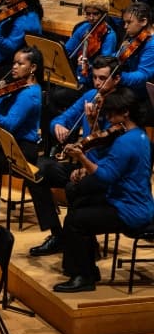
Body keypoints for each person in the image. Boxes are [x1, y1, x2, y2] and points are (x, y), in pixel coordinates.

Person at [48, 88, 152, 293]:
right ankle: (86, 269)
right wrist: (86, 170)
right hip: (128, 201)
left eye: (112, 113)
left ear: (126, 113)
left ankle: (84, 277)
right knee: (80, 204)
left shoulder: (126, 142)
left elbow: (105, 176)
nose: (108, 117)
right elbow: (112, 169)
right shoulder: (139, 135)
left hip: (130, 210)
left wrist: (82, 158)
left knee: (75, 221)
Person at [26, 54, 118, 259]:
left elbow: (111, 152)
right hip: (82, 166)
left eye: (103, 78)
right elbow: (60, 119)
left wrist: (93, 122)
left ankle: (86, 242)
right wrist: (57, 125)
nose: (97, 83)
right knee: (36, 172)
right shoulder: (90, 96)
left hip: (104, 172)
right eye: (95, 78)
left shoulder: (120, 108)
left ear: (116, 79)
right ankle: (57, 234)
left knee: (74, 187)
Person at [53, 0, 118, 116]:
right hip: (77, 78)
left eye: (96, 14)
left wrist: (89, 64)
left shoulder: (109, 36)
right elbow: (67, 50)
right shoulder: (84, 28)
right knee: (52, 92)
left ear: (104, 14)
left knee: (56, 97)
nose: (91, 18)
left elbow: (104, 65)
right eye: (88, 14)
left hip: (92, 83)